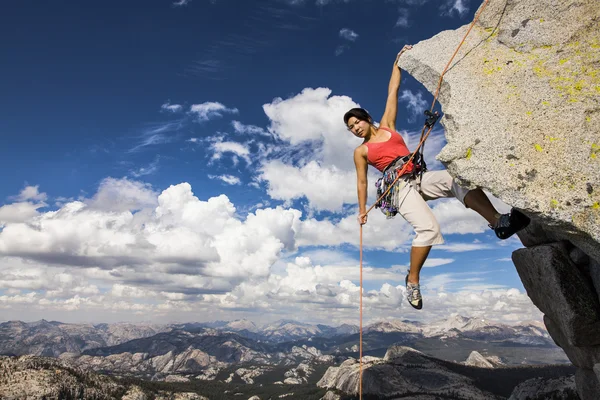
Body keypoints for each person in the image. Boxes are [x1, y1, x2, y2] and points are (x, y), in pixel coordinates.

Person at [345, 45, 530, 310]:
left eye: (356, 123)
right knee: (429, 229)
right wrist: (362, 210)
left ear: (367, 119)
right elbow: (362, 182)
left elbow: (392, 91)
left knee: (459, 179)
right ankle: (412, 279)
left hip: (419, 177)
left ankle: (499, 222)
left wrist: (398, 62)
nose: (355, 129)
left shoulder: (387, 126)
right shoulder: (361, 151)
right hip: (398, 188)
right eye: (350, 128)